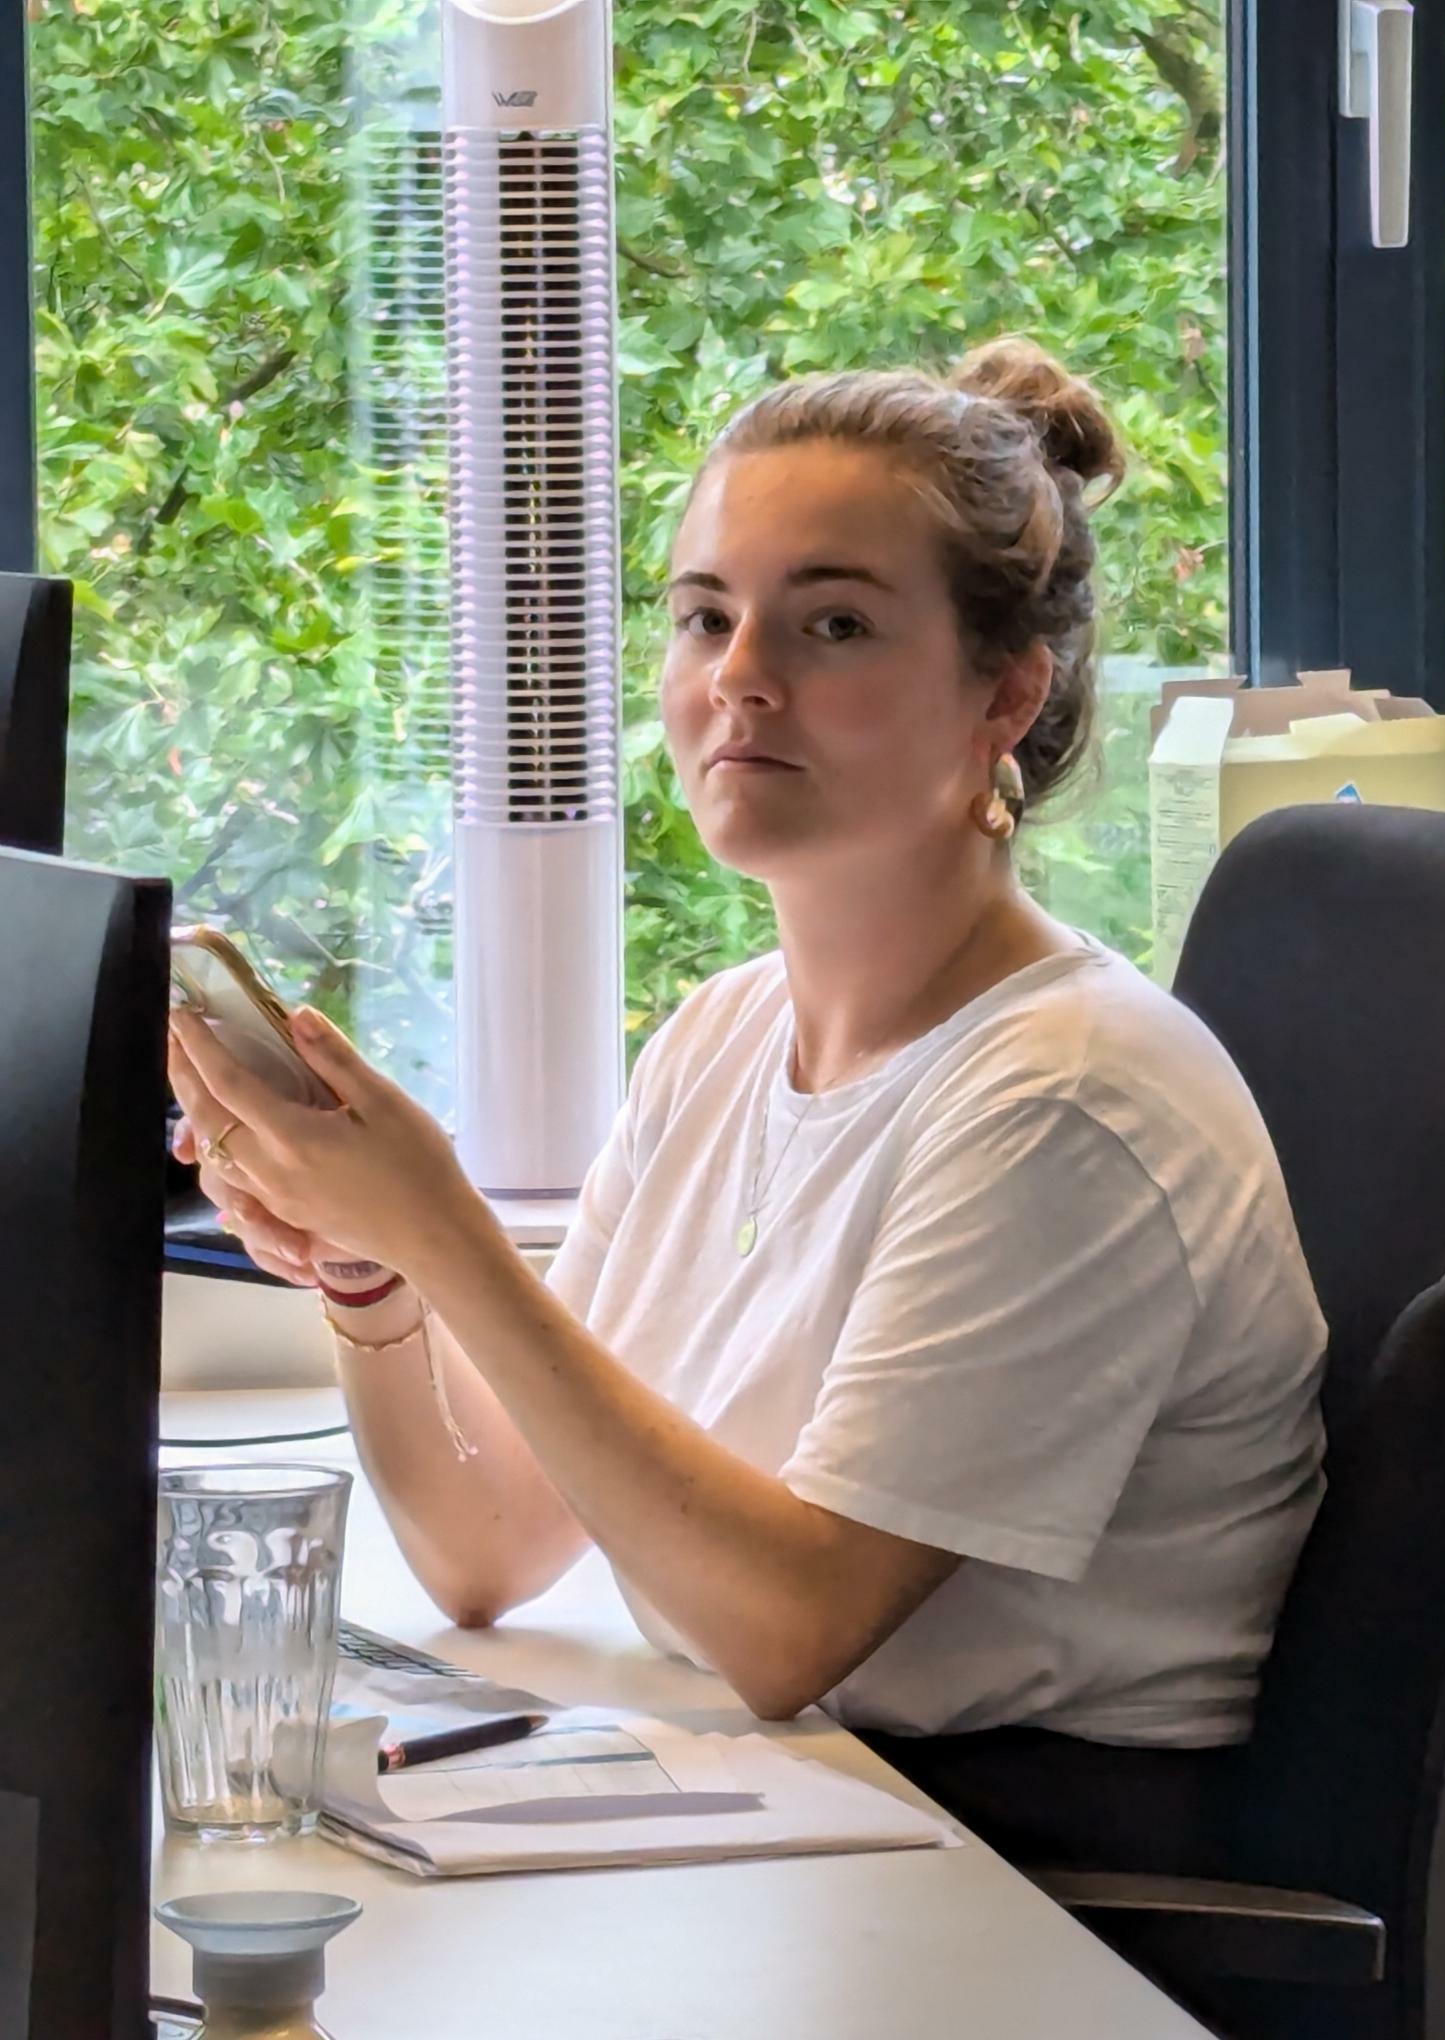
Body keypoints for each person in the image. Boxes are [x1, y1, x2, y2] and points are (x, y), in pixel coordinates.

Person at [168, 334, 1327, 1873]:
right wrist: (373, 1273)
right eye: (706, 617)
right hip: (819, 1813)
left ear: (1005, 693)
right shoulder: (724, 1033)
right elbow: (487, 1548)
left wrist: (445, 1229)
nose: (739, 680)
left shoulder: (1064, 1101)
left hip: (1022, 1879)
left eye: (832, 624)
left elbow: (788, 1632)